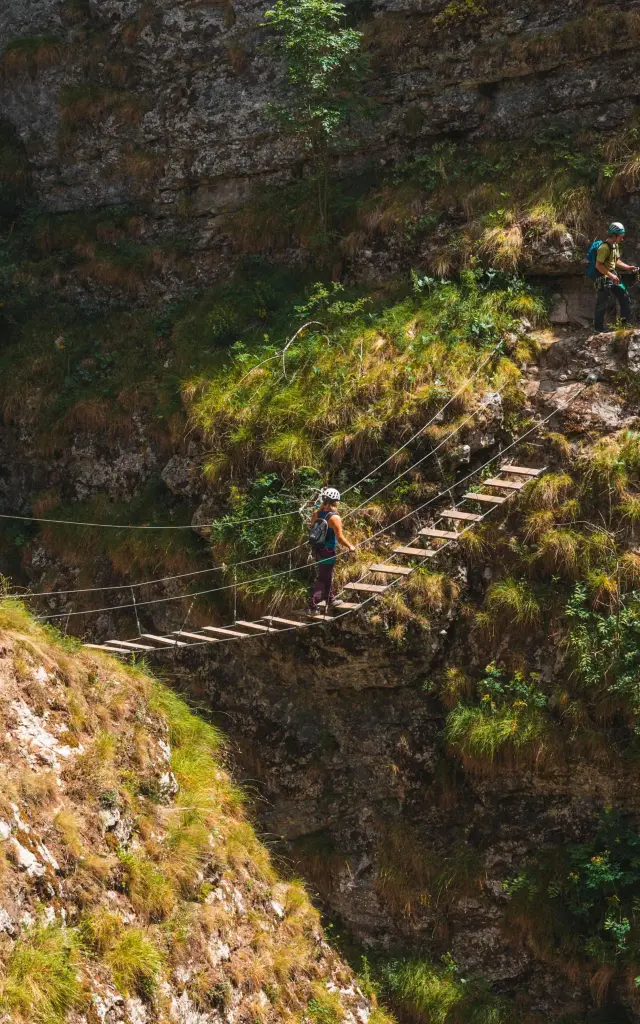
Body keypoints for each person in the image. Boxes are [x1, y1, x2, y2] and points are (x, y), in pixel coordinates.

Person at [307, 487, 354, 612]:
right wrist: (350, 546)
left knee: (326, 575)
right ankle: (312, 605)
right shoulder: (335, 518)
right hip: (328, 551)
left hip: (317, 550)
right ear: (336, 502)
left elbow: (312, 526)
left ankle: (330, 599)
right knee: (323, 578)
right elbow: (340, 538)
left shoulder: (316, 514)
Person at [594, 222, 638, 332]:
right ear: (614, 235)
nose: (622, 239)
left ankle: (623, 326)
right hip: (603, 278)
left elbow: (616, 261)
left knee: (624, 297)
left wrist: (628, 267)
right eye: (621, 237)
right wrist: (611, 275)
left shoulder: (615, 245)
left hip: (613, 276)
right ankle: (598, 329)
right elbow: (598, 265)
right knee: (602, 303)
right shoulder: (604, 248)